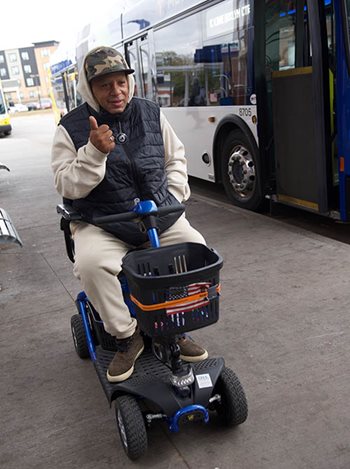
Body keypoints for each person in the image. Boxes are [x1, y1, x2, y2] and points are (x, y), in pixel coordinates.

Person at [51, 46, 208, 383]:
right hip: (103, 223)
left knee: (196, 248)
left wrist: (174, 195)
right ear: (89, 88)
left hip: (158, 216)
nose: (116, 91)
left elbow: (176, 159)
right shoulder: (70, 127)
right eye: (105, 85)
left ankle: (176, 329)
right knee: (91, 263)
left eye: (121, 82)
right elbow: (65, 183)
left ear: (129, 83)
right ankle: (127, 336)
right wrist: (93, 153)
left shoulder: (151, 113)